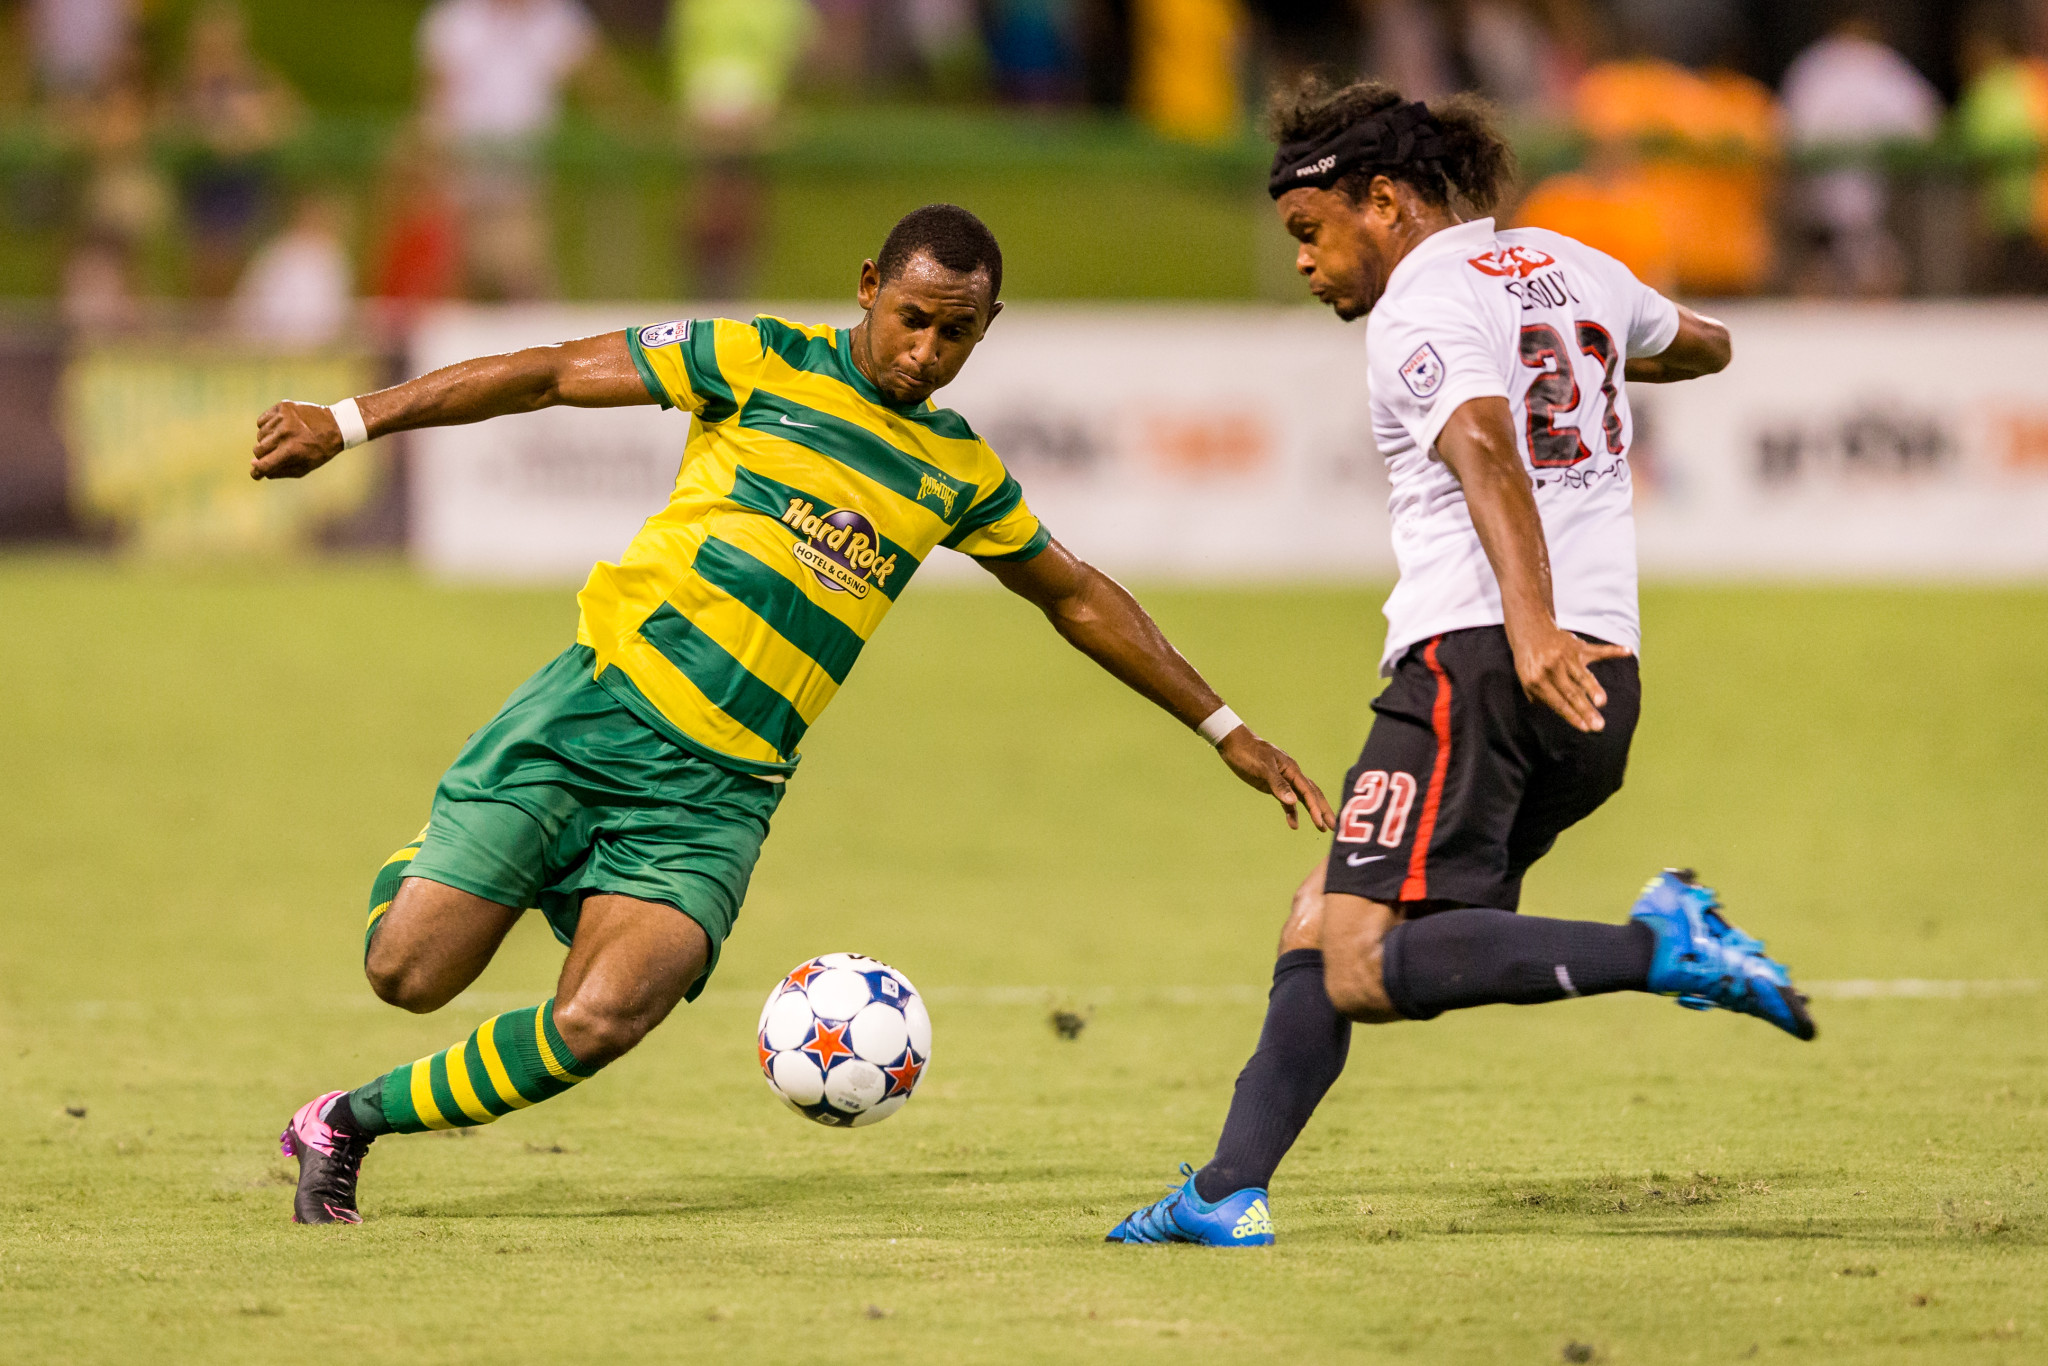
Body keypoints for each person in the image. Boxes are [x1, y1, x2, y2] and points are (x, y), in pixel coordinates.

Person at [254, 203, 1337, 1225]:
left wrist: (1224, 728)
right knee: (407, 976)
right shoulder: (755, 358)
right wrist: (347, 419)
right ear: (868, 289)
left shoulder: (955, 469)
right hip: (594, 716)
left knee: (599, 1019)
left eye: (955, 333)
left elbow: (1074, 592)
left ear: (984, 331)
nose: (925, 350)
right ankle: (452, 853)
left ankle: (341, 1124)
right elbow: (544, 375)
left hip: (718, 796)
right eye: (911, 318)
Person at [1106, 78, 1812, 1249]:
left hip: (1477, 667)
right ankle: (1227, 1188)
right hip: (1599, 686)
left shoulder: (1417, 308)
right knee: (1330, 920)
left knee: (1354, 955)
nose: (1302, 264)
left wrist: (1525, 624)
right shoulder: (1565, 261)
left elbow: (1483, 444)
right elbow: (1704, 344)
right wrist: (1589, 360)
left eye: (1308, 233)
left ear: (1380, 201)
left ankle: (1662, 947)